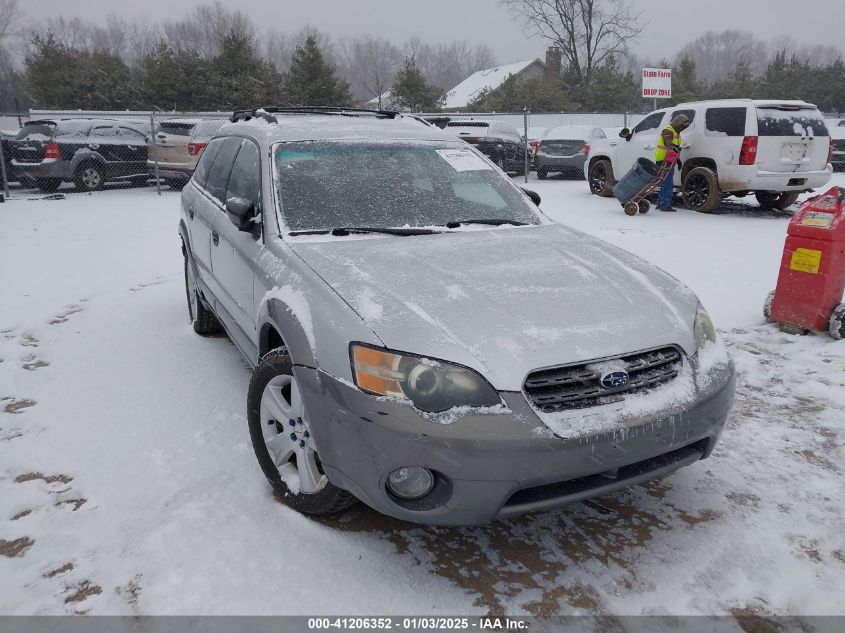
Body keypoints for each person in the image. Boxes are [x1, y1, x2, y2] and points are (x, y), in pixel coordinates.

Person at [655, 113, 690, 212]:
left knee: (665, 182)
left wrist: (678, 160)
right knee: (668, 183)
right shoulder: (668, 130)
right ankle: (664, 205)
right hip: (663, 160)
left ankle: (661, 204)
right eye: (683, 126)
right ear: (678, 123)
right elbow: (667, 140)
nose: (683, 128)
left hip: (670, 160)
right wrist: (671, 145)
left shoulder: (676, 132)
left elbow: (675, 150)